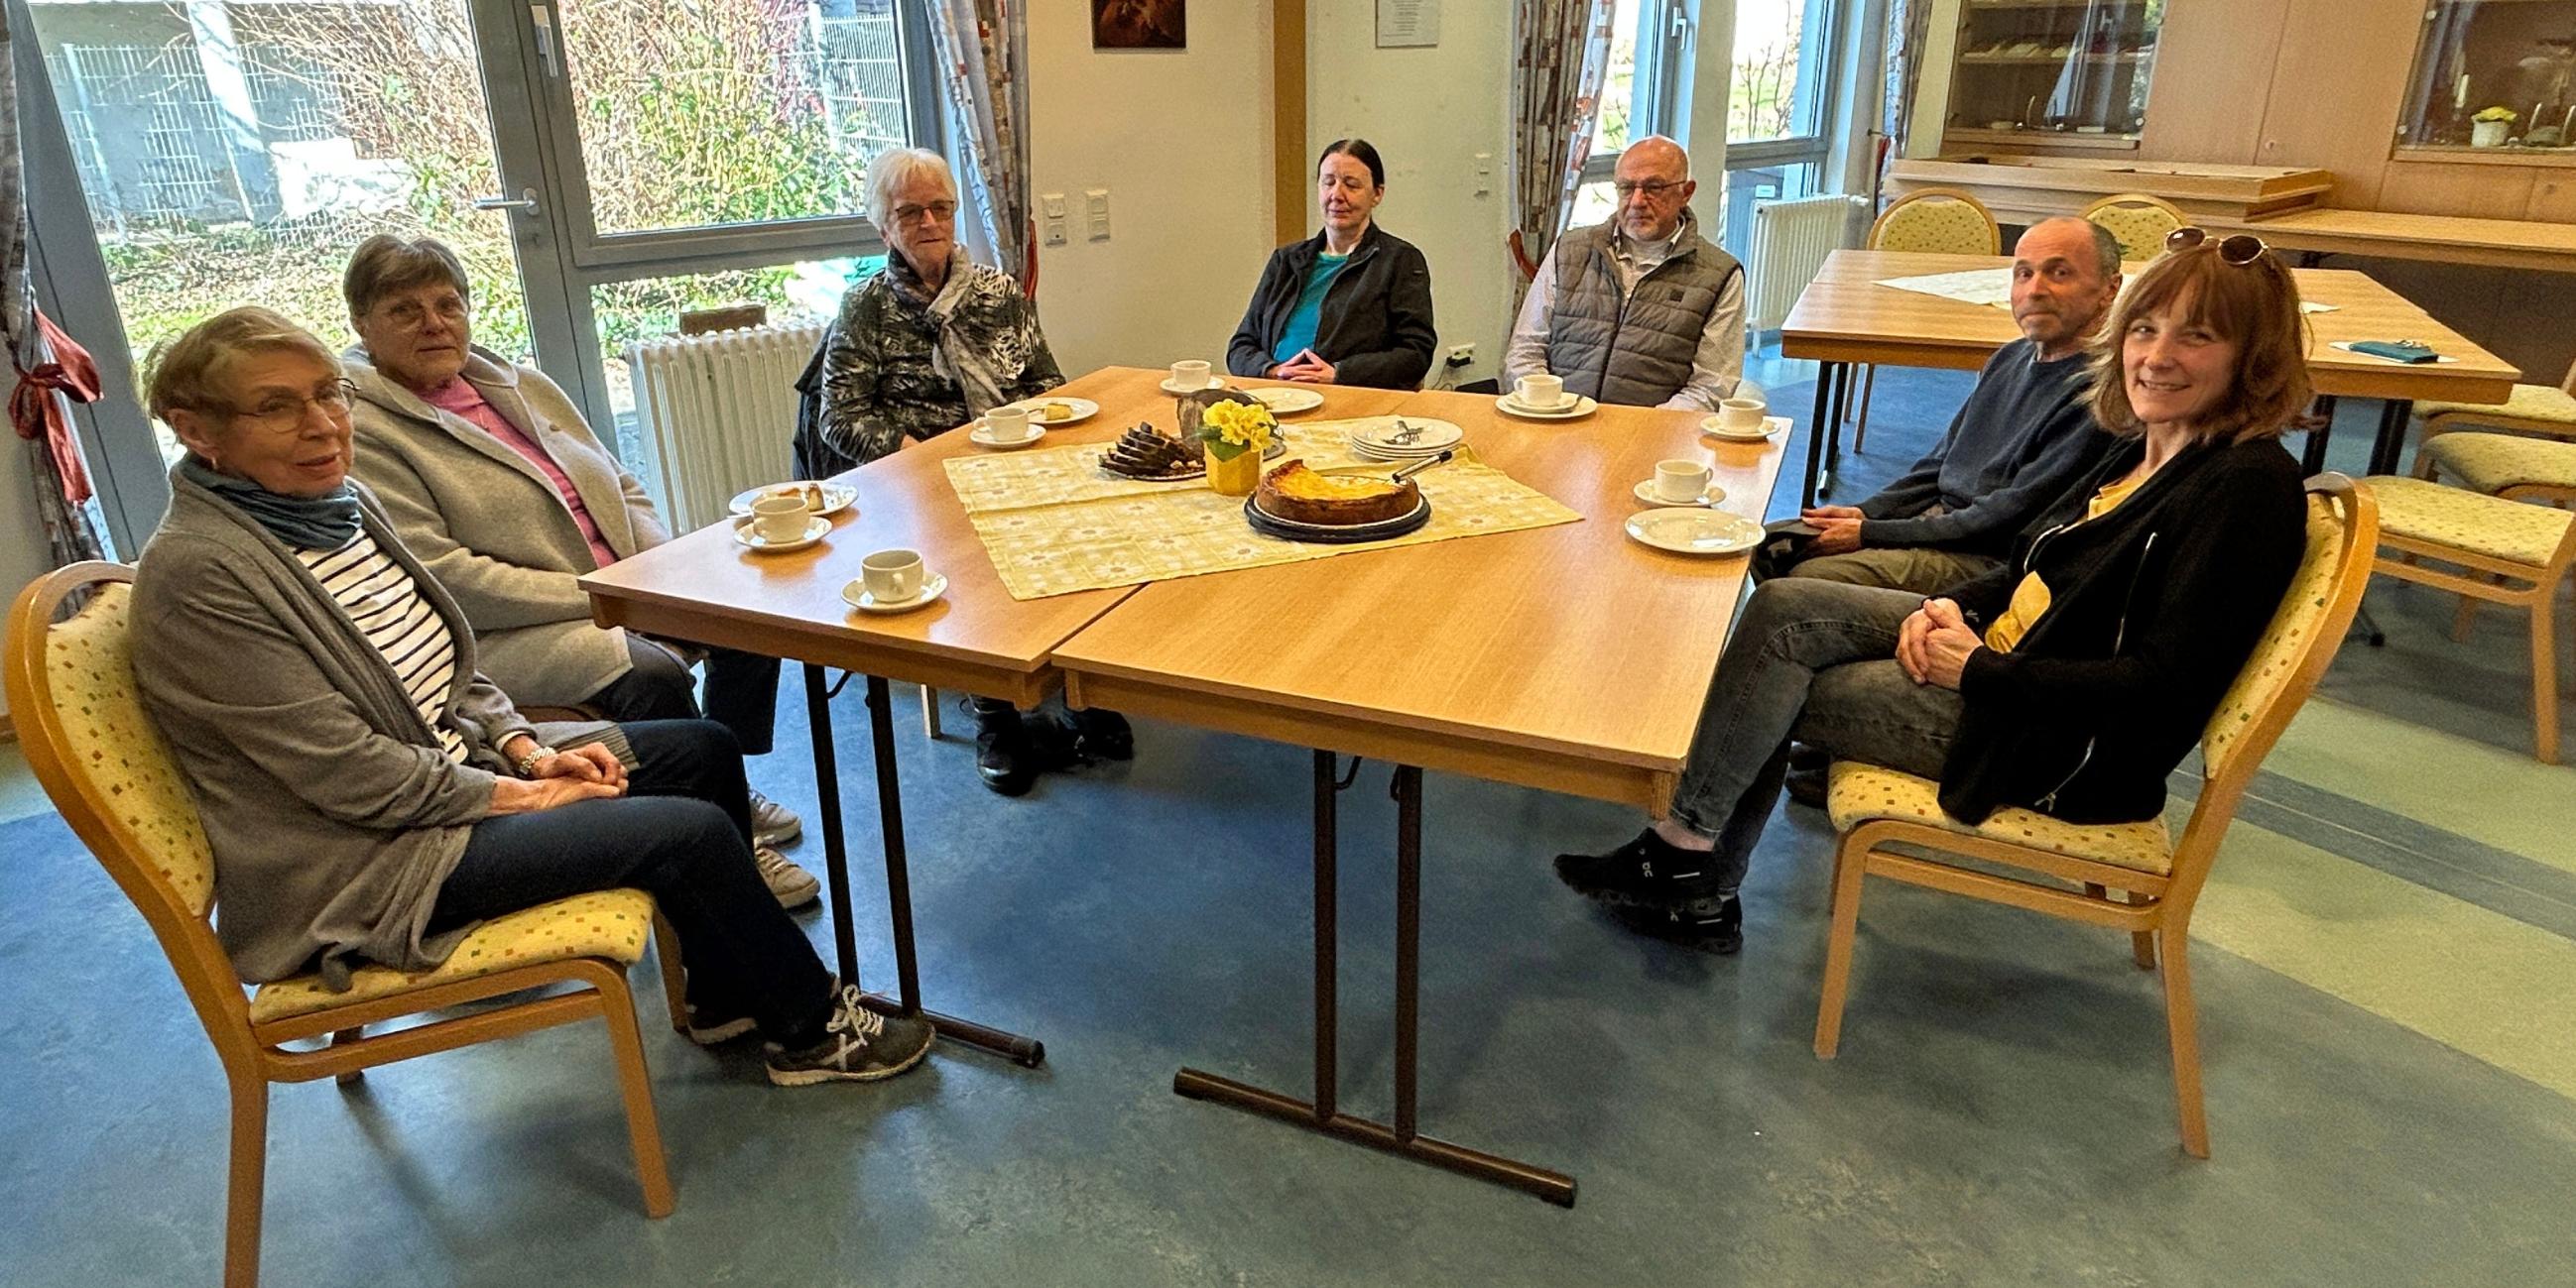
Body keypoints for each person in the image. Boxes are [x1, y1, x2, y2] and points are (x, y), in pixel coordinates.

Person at [129, 307, 932, 1086]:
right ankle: (811, 1030)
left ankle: (729, 993)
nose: (322, 424)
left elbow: (449, 666)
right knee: (683, 834)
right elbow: (349, 776)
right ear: (196, 429)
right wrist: (524, 794)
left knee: (703, 749)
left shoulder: (338, 506)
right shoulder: (204, 575)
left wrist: (526, 745)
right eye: (276, 406)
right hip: (370, 858)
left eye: (328, 393)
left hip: (450, 780)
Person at [1553, 230, 2311, 955]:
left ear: (2254, 358)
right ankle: (1686, 860)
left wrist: (1975, 668)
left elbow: (2162, 689)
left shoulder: (2248, 489)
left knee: (1765, 684)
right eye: (2144, 330)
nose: (2155, 356)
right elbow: (2033, 564)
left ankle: (1687, 868)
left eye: (2196, 337)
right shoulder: (2156, 448)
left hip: (2049, 746)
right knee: (1784, 611)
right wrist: (1959, 609)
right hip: (2007, 664)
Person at [335, 235, 817, 909]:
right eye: (405, 310)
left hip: (621, 585)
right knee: (650, 669)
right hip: (511, 629)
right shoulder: (364, 430)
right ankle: (727, 842)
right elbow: (445, 576)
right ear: (362, 323)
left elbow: (621, 481)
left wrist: (664, 566)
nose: (435, 323)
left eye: (448, 303)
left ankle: (723, 778)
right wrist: (602, 596)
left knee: (740, 605)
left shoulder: (517, 382)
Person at [807, 146, 1125, 797]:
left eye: (939, 207)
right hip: (917, 480)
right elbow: (836, 416)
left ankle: (1076, 686)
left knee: (1089, 522)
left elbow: (1046, 383)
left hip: (1012, 460)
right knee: (971, 545)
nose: (928, 221)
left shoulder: (998, 293)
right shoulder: (865, 306)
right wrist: (918, 451)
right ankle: (994, 712)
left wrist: (1038, 435)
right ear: (883, 225)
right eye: (909, 211)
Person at [1760, 217, 2125, 592]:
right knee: (1767, 543)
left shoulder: (2098, 395)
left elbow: (2003, 519)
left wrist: (1870, 532)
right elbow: (1938, 465)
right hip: (1942, 521)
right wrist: (1867, 511)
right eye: (2023, 274)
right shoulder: (2009, 357)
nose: (2035, 290)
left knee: (1807, 580)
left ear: (2110, 288)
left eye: (2059, 273)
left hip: (1983, 554)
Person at [1502, 136, 1748, 410]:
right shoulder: (1569, 250)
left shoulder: (1720, 275)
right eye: (1627, 187)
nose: (1638, 201)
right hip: (1554, 421)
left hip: (1655, 436)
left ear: (1686, 192)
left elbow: (1711, 387)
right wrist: (1548, 408)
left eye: (1654, 187)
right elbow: (1525, 351)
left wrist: (1635, 432)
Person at [1226, 139, 1437, 390]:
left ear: (1377, 194)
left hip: (1352, 400)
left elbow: (1416, 354)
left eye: (1351, 185)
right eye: (1328, 182)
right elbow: (1241, 346)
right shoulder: (1286, 260)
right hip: (1276, 396)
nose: (1337, 195)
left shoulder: (1399, 260)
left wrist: (1339, 373)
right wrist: (1272, 370)